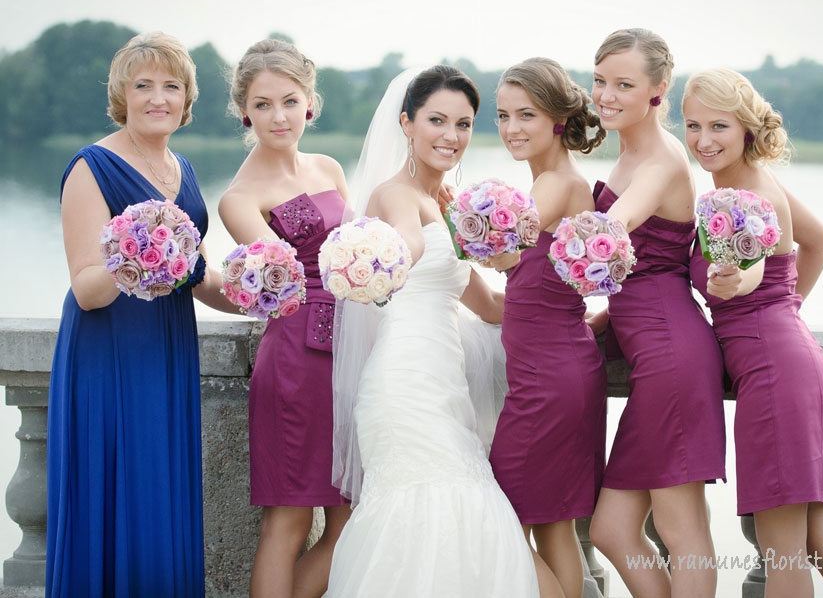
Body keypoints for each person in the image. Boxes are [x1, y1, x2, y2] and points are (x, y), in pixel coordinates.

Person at [327, 66, 539, 597]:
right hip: (404, 386)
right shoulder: (395, 195)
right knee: (428, 518)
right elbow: (407, 241)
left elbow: (487, 305)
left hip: (447, 387)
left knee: (462, 524)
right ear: (407, 123)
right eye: (437, 121)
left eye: (463, 124)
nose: (451, 135)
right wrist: (401, 252)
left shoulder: (452, 205)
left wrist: (565, 312)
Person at [45, 31, 237, 597]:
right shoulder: (92, 166)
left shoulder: (184, 170)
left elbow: (199, 277)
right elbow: (87, 289)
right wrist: (135, 255)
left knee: (160, 486)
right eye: (143, 85)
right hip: (109, 350)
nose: (158, 98)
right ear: (121, 95)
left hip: (168, 345)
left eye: (171, 86)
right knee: (115, 487)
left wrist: (261, 295)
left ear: (186, 98)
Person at [682, 68, 823, 598]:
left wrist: (739, 286)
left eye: (718, 126)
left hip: (774, 376)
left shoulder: (748, 194)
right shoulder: (753, 180)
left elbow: (746, 273)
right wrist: (781, 308)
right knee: (822, 539)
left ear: (746, 127)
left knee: (784, 555)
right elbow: (821, 241)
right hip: (796, 361)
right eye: (693, 125)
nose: (703, 140)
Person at [586, 28, 726, 597]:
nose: (606, 95)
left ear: (658, 90)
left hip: (672, 355)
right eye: (600, 81)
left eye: (624, 84)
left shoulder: (663, 159)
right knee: (612, 529)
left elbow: (614, 231)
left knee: (682, 530)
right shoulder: (631, 151)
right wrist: (602, 320)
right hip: (651, 347)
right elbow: (642, 273)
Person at [218, 39, 352, 598]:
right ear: (244, 111)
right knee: (289, 519)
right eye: (263, 104)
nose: (279, 116)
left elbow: (357, 252)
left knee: (350, 520)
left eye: (290, 101)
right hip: (298, 356)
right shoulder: (239, 198)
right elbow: (277, 280)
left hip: (353, 348)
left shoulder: (329, 167)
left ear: (310, 104)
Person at [488, 57, 607, 598]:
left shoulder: (557, 184)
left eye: (526, 115)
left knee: (500, 524)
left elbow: (501, 247)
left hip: (547, 383)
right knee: (554, 521)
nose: (511, 128)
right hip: (560, 368)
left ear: (558, 119)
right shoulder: (553, 182)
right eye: (503, 115)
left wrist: (446, 218)